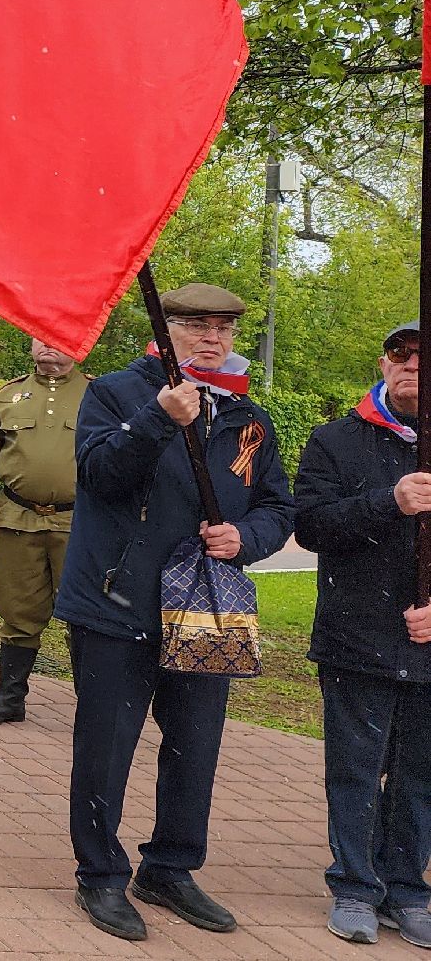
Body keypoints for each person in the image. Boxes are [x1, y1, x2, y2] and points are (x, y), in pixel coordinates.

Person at [54, 283, 295, 941]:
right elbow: (99, 474)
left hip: (205, 609)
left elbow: (278, 506)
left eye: (221, 327)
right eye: (193, 324)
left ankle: (168, 867)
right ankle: (99, 875)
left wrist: (246, 539)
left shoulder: (249, 417)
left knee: (194, 750)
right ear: (163, 330)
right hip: (115, 601)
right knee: (105, 748)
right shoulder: (116, 394)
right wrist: (160, 416)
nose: (209, 337)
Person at [294, 319, 431, 947]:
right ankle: (353, 885)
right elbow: (313, 527)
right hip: (357, 635)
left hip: (427, 641)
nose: (411, 367)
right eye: (400, 356)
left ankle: (406, 889)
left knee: (419, 771)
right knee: (355, 765)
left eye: (422, 358)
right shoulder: (335, 442)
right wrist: (388, 501)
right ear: (383, 364)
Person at [0, 338, 89, 724]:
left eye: (60, 339)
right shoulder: (6, 395)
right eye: (41, 337)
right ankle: (10, 697)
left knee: (85, 614)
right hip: (19, 519)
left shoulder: (98, 394)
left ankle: (94, 706)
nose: (49, 345)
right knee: (17, 609)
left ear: (80, 347)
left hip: (80, 523)